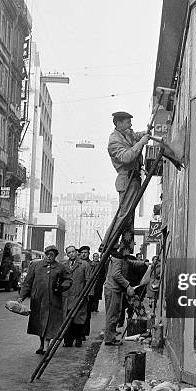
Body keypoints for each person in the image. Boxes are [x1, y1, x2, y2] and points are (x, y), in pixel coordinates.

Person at [101, 111, 150, 250]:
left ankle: (123, 246)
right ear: (119, 123)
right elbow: (126, 157)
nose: (131, 124)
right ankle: (108, 243)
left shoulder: (126, 133)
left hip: (133, 178)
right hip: (126, 178)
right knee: (124, 214)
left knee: (128, 215)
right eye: (128, 122)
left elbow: (136, 135)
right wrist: (141, 142)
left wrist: (147, 132)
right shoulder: (114, 141)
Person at [18, 245, 72, 354]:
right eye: (47, 254)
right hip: (38, 300)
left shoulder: (60, 267)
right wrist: (21, 297)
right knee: (40, 324)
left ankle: (46, 346)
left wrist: (61, 287)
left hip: (53, 300)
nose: (48, 257)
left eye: (51, 255)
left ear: (55, 256)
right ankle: (42, 344)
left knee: (50, 323)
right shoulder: (35, 266)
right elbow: (27, 282)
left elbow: (68, 280)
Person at [103, 237, 145, 346]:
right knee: (112, 315)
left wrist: (144, 264)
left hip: (116, 289)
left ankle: (111, 335)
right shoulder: (117, 258)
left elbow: (131, 263)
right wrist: (128, 286)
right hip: (113, 289)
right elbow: (116, 275)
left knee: (116, 313)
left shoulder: (123, 258)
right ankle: (109, 339)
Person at [63, 245, 89, 347]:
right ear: (67, 254)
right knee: (67, 320)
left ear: (76, 252)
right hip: (67, 297)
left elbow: (89, 280)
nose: (71, 254)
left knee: (78, 320)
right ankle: (67, 340)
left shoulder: (84, 264)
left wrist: (86, 295)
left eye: (73, 251)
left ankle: (78, 339)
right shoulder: (64, 265)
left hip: (79, 295)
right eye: (69, 252)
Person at [78, 245, 96, 338]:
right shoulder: (78, 263)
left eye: (85, 252)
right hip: (78, 292)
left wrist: (90, 294)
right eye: (82, 253)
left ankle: (83, 333)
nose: (84, 254)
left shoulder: (92, 264)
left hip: (88, 292)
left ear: (89, 253)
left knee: (87, 314)